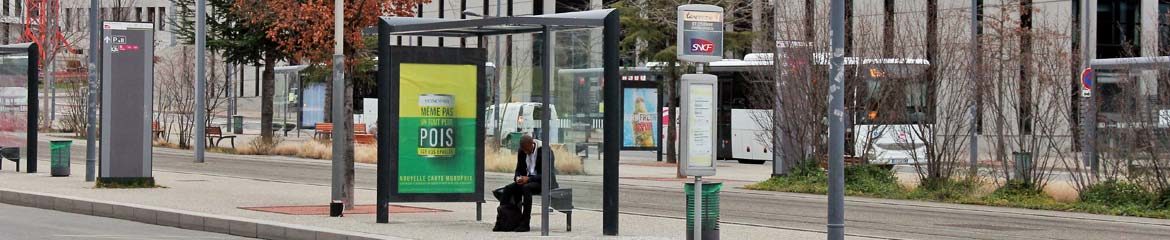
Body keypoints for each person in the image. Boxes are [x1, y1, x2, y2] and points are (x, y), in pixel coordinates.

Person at [498, 135, 554, 232]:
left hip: (543, 182)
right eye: (523, 150)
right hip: (527, 181)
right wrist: (517, 178)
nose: (525, 152)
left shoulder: (545, 151)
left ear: (532, 144)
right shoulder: (522, 151)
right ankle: (504, 221)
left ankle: (525, 223)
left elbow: (547, 175)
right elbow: (518, 170)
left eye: (527, 150)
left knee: (526, 188)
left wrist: (528, 179)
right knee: (508, 189)